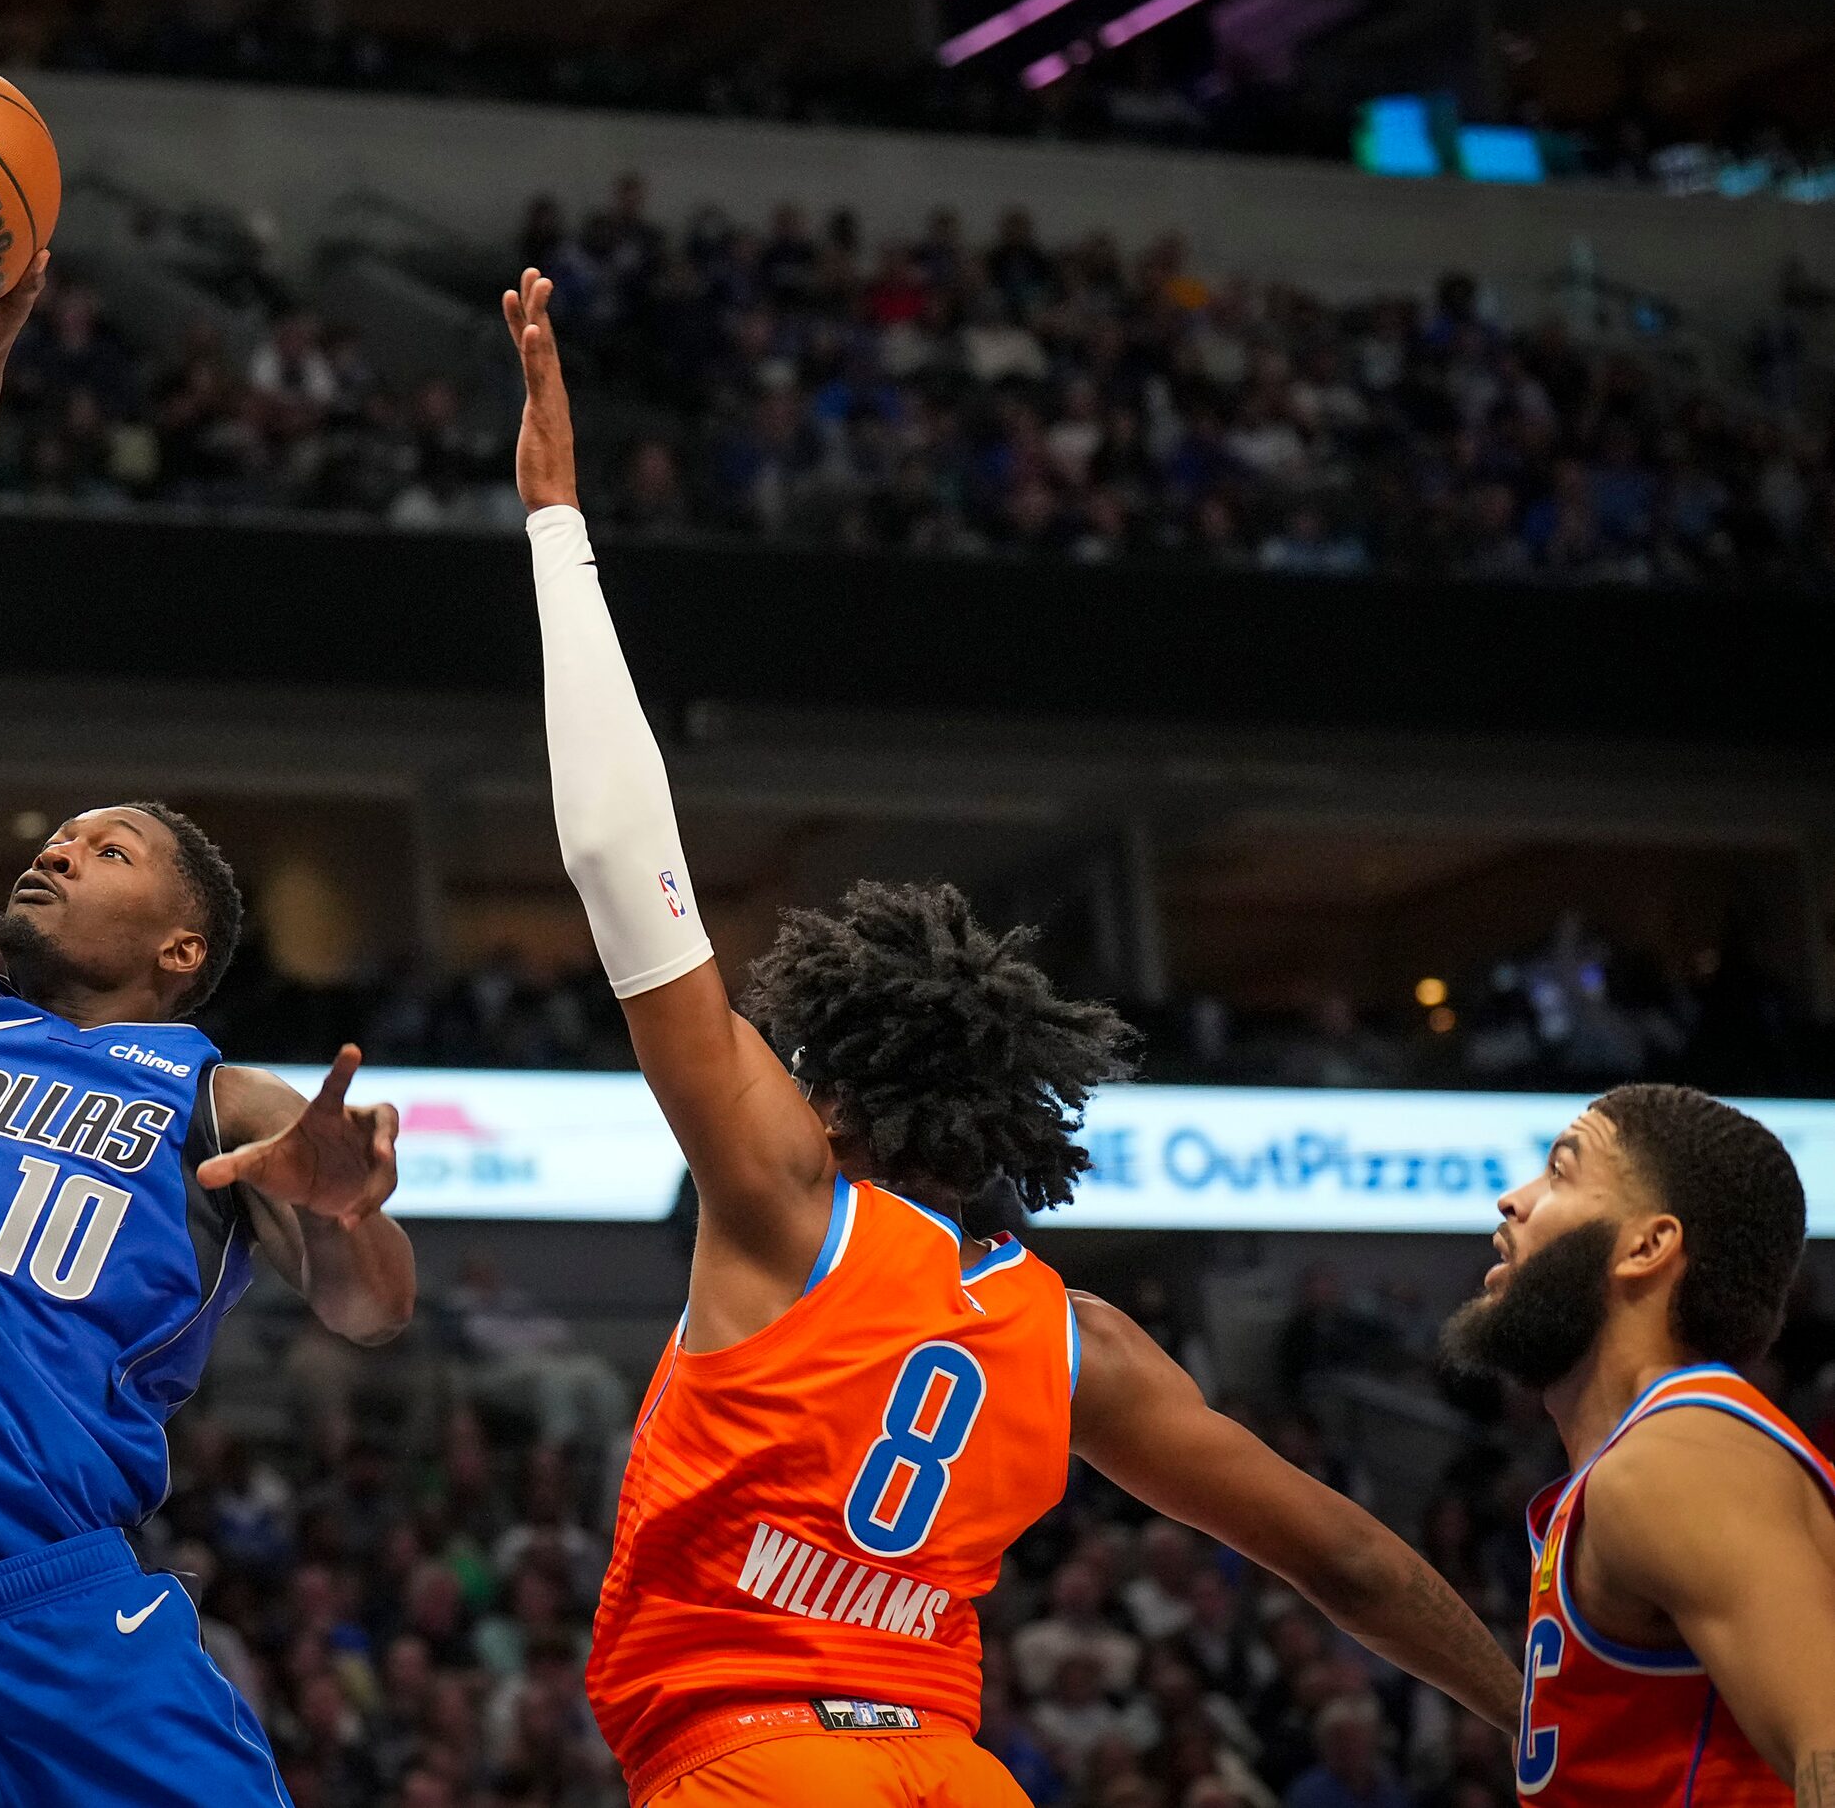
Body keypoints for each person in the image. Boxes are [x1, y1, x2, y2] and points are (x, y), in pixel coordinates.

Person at [496, 266, 1520, 1808]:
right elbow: (1350, 1554)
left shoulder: (780, 1198)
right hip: (963, 1774)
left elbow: (614, 862)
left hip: (755, 1765)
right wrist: (1534, 1722)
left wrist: (556, 527)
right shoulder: (1075, 1339)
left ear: (835, 1095)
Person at [0, 254, 418, 1808]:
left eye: (107, 846)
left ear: (180, 944)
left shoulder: (214, 1093)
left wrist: (347, 1207)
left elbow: (369, 1311)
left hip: (61, 1614)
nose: (56, 847)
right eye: (58, 834)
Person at [1439, 1083, 1835, 1806]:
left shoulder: (1678, 1462)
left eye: (1560, 1170)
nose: (1513, 1200)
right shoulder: (1646, 1461)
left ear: (1647, 1246)